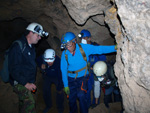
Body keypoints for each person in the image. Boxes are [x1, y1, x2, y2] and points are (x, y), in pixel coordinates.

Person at [60, 32, 117, 113]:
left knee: (81, 95)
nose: (68, 48)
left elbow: (99, 49)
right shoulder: (64, 54)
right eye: (65, 45)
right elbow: (63, 69)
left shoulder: (84, 48)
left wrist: (114, 48)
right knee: (71, 99)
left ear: (75, 41)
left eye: (69, 45)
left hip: (82, 77)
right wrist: (65, 85)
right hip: (70, 79)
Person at [8, 22, 48, 113]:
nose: (40, 38)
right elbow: (13, 69)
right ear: (31, 33)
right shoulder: (18, 46)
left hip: (27, 81)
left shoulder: (31, 47)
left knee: (24, 105)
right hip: (19, 81)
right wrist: (26, 84)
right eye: (38, 35)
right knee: (30, 104)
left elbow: (30, 64)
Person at [78, 29, 107, 108]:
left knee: (96, 88)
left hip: (96, 72)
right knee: (86, 90)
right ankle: (87, 107)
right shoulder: (80, 49)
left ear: (89, 38)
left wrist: (99, 69)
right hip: (86, 73)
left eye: (85, 38)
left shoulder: (96, 47)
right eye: (82, 38)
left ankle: (95, 105)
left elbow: (103, 59)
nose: (83, 40)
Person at [36, 49, 64, 113]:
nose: (49, 63)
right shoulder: (42, 58)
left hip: (56, 77)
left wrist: (60, 87)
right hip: (47, 76)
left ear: (54, 58)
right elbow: (37, 60)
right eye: (48, 61)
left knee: (60, 92)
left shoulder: (58, 62)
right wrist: (41, 65)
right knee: (45, 91)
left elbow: (60, 76)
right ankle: (48, 106)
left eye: (51, 61)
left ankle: (60, 108)